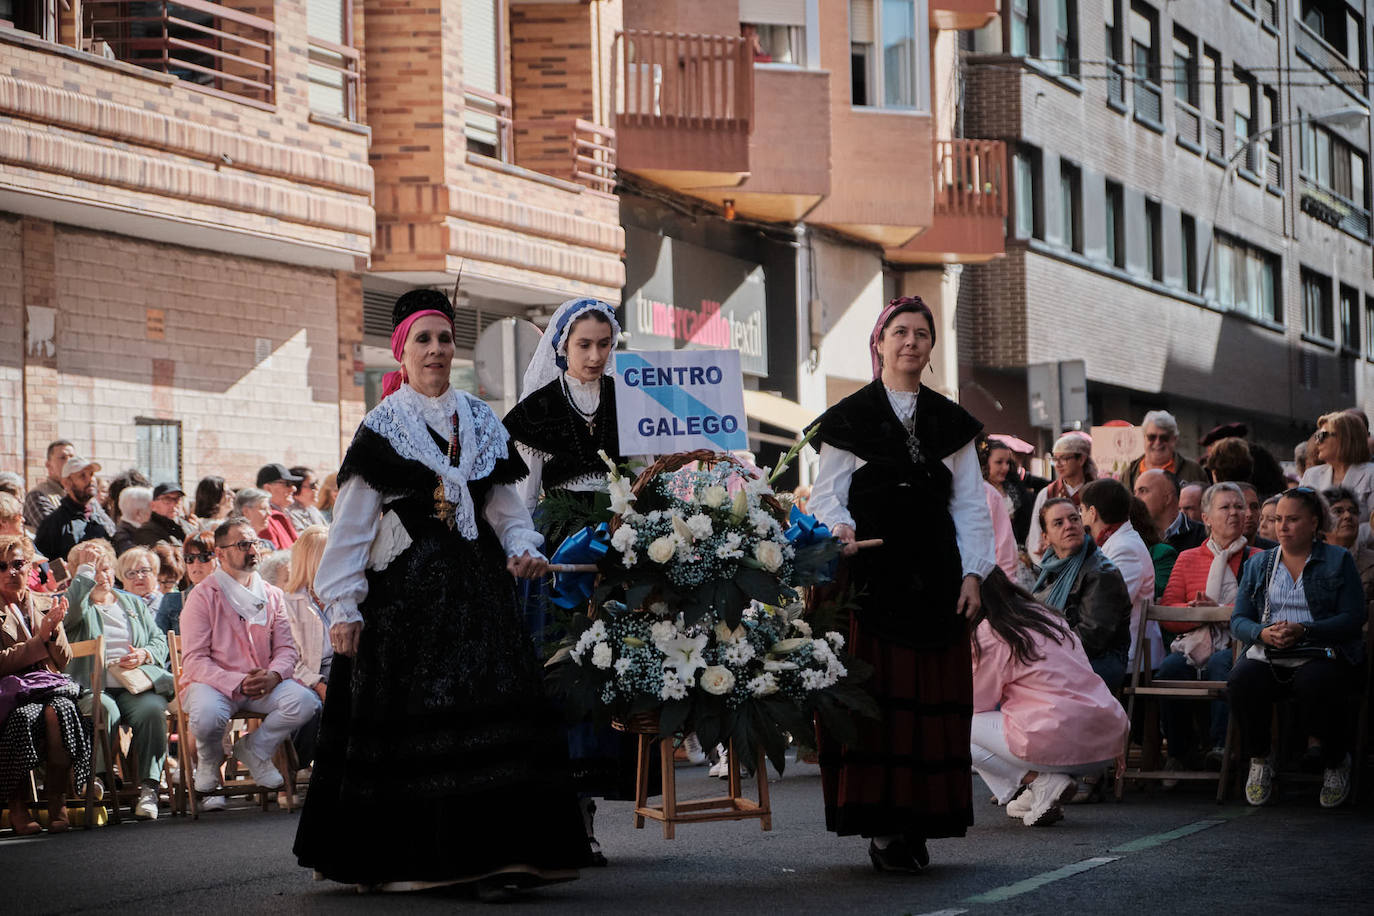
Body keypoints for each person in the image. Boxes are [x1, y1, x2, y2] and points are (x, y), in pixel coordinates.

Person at [294, 288, 592, 894]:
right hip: (406, 607)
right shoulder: (381, 428)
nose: (435, 350)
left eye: (444, 339)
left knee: (491, 713)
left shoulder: (481, 420)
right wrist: (344, 607)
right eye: (422, 340)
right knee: (424, 723)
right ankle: (420, 861)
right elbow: (351, 527)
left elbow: (506, 508)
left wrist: (523, 547)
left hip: (479, 596)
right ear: (402, 352)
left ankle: (500, 856)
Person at [808, 296, 994, 873]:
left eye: (921, 333)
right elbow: (826, 496)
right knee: (880, 708)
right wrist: (839, 528)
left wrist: (973, 575)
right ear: (880, 343)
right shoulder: (849, 417)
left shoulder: (952, 423)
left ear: (931, 347)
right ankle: (885, 829)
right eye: (900, 332)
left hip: (936, 580)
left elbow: (970, 507)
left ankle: (918, 824)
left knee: (930, 711)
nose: (911, 342)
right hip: (870, 580)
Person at [501, 296, 642, 862]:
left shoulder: (629, 404)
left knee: (607, 674)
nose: (595, 355)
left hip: (616, 548)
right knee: (560, 677)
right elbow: (523, 495)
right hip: (556, 554)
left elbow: (645, 475)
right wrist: (528, 549)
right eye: (584, 344)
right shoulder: (535, 412)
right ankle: (558, 813)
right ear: (561, 345)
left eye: (604, 344)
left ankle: (586, 810)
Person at [1229, 488, 1367, 808]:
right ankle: (1261, 758)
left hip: (1322, 650)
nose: (1282, 527)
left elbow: (1353, 617)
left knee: (1313, 683)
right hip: (1272, 650)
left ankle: (1335, 760)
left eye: (1292, 519)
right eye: (1278, 519)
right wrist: (1262, 633)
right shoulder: (1260, 563)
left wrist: (1306, 629)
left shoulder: (1338, 559)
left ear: (1314, 523)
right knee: (1241, 681)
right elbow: (1238, 619)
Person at [971, 569, 1130, 827]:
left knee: (957, 727)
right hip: (1106, 738)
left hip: (1057, 739)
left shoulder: (991, 631)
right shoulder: (1046, 616)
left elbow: (977, 703)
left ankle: (1037, 781)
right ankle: (1036, 793)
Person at [179, 517, 319, 796]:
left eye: (254, 543)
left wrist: (274, 675)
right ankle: (209, 760)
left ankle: (256, 748)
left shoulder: (272, 594)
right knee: (207, 716)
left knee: (305, 702)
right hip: (214, 684)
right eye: (243, 544)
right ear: (220, 553)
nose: (253, 550)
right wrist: (236, 682)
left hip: (262, 682)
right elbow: (194, 660)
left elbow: (287, 649)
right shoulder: (203, 596)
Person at [62, 543, 173, 821]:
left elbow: (160, 640)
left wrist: (144, 654)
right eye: (92, 569)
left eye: (106, 568)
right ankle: (96, 780)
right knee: (105, 708)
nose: (102, 576)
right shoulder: (76, 602)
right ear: (78, 574)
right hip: (93, 686)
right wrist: (84, 572)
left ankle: (149, 788)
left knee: (152, 710)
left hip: (134, 685)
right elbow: (71, 614)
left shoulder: (132, 603)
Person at [1157, 483, 1258, 774]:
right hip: (1193, 641)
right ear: (1207, 518)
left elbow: (1263, 611)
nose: (1235, 513)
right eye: (1225, 507)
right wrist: (1197, 612)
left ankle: (1219, 748)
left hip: (1239, 644)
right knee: (1170, 670)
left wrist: (1220, 612)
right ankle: (1179, 752)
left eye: (1240, 507)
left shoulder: (1259, 557)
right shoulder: (1187, 558)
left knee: (1221, 664)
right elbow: (1168, 611)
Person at [0, 534, 86, 835]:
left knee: (59, 712)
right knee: (23, 719)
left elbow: (64, 660)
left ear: (29, 568)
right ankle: (19, 806)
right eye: (2, 566)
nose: (11, 572)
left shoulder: (43, 601)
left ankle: (57, 800)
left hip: (48, 687)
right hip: (10, 693)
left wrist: (52, 632)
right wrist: (39, 641)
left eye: (18, 564)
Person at [1033, 498, 1132, 691]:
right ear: (1046, 537)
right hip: (1061, 655)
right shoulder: (1051, 569)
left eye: (1073, 519)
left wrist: (1045, 656)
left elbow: (1091, 637)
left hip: (1100, 661)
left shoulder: (1101, 572)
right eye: (1059, 523)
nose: (1069, 526)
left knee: (1034, 684)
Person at [1078, 479, 1156, 672]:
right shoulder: (1113, 541)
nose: (1079, 518)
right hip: (1100, 646)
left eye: (1081, 510)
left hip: (1121, 655)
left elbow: (1106, 608)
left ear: (1092, 513)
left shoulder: (1125, 548)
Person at [281, 525, 330, 766]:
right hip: (305, 673)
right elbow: (290, 659)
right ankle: (291, 766)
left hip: (342, 667)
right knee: (310, 707)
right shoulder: (288, 602)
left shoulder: (341, 595)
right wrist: (318, 684)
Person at [1027, 433, 1097, 561]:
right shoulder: (1047, 493)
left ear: (1081, 459)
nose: (1058, 464)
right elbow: (1035, 539)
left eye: (1064, 458)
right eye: (1055, 459)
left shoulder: (1098, 491)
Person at [34, 457, 115, 565]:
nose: (90, 480)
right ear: (67, 483)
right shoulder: (54, 523)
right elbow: (45, 564)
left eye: (91, 474)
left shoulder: (102, 518)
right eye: (82, 476)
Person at [1301, 412, 1374, 520]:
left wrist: (1340, 535)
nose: (1317, 442)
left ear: (1345, 438)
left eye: (1322, 435)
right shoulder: (1311, 475)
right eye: (1317, 436)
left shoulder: (1371, 474)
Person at [1122, 410, 1209, 492]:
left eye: (1164, 438)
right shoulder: (1129, 474)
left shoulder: (1194, 471)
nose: (1157, 442)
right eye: (1152, 437)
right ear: (1144, 438)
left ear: (1174, 439)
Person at [1321, 486, 1374, 611]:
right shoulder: (1306, 560)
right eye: (1338, 511)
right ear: (1321, 521)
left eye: (1353, 511)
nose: (1348, 516)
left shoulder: (1371, 562)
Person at [1132, 468, 1206, 553]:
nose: (1135, 498)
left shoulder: (1203, 537)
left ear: (1167, 498)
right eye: (1135, 492)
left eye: (1143, 491)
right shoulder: (1134, 536)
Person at [156, 531, 216, 636]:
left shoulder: (231, 598)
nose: (196, 564)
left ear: (219, 559)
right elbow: (158, 643)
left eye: (204, 557)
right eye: (190, 558)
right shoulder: (172, 602)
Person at [984, 437, 1034, 545]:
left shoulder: (1015, 488)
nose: (1005, 467)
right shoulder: (978, 491)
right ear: (985, 463)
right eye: (999, 462)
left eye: (1007, 463)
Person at [22, 440, 74, 530]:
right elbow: (57, 533)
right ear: (48, 465)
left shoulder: (82, 493)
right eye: (63, 458)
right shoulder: (38, 496)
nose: (69, 462)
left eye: (72, 457)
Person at [256, 465, 304, 544]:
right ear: (268, 488)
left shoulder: (284, 514)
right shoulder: (263, 518)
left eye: (293, 484)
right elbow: (271, 554)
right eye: (287, 484)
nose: (294, 488)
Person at [135, 482, 192, 548]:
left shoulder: (188, 526)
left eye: (177, 500)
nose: (173, 505)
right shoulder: (146, 531)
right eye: (167, 500)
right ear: (153, 505)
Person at [115, 547, 165, 620]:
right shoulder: (114, 607)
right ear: (122, 578)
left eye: (144, 571)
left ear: (155, 573)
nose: (139, 577)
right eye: (131, 573)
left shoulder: (169, 606)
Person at [1236, 482, 1278, 549]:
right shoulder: (1216, 553)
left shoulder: (1276, 552)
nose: (1249, 514)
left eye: (1254, 507)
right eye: (1241, 507)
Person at [113, 486, 153, 555]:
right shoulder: (123, 538)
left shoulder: (133, 531)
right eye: (150, 509)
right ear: (138, 513)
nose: (153, 513)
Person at [286, 467, 328, 533]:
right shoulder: (289, 514)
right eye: (312, 485)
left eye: (317, 483)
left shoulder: (313, 510)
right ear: (296, 488)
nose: (317, 488)